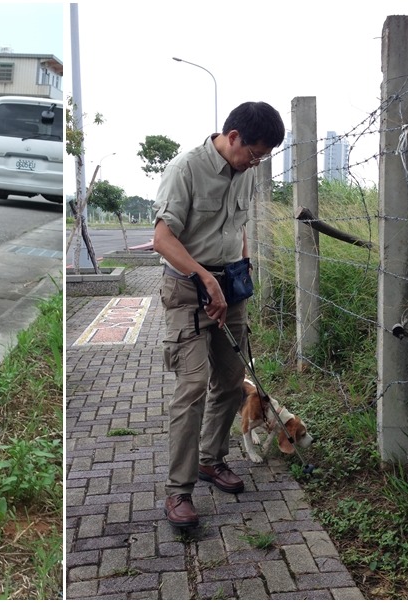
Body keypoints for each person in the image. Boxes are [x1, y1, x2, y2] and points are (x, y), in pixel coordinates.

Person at [151, 101, 285, 528]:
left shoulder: (245, 175)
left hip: (231, 291)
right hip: (188, 291)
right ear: (232, 138)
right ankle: (179, 491)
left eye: (263, 157)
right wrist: (207, 280)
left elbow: (238, 229)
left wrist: (238, 274)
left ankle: (211, 460)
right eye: (254, 153)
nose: (256, 163)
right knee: (191, 386)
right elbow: (162, 239)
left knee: (229, 381)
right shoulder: (185, 170)